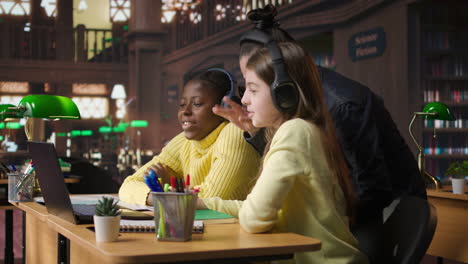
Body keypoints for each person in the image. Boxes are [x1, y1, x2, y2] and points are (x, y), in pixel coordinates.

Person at [212, 5, 426, 262]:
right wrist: (258, 131)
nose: (245, 98)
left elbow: (371, 190)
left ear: (284, 86)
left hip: (382, 213)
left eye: (254, 87)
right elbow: (294, 176)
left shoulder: (339, 107)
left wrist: (328, 218)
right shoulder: (298, 121)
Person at [201, 41, 368, 264]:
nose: (244, 100)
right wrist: (197, 203)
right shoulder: (303, 130)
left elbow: (254, 218)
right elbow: (253, 208)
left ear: (285, 93)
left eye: (253, 89)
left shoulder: (295, 131)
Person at [118, 69, 260, 205]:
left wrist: (167, 188)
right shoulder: (183, 141)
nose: (185, 111)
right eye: (182, 104)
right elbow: (128, 185)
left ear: (223, 107)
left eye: (197, 104)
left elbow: (210, 198)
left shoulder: (235, 132)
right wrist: (160, 195)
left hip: (236, 228)